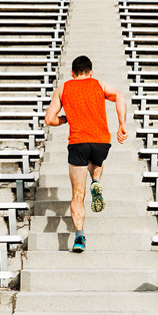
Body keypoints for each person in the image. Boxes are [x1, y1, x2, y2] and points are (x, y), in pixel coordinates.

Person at [43, 55, 127, 252]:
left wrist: (64, 120)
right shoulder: (99, 84)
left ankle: (79, 236)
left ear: (72, 73)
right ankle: (96, 180)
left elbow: (49, 119)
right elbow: (120, 96)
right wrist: (122, 124)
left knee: (77, 194)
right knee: (96, 162)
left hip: (78, 142)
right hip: (101, 142)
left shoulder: (63, 88)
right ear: (91, 71)